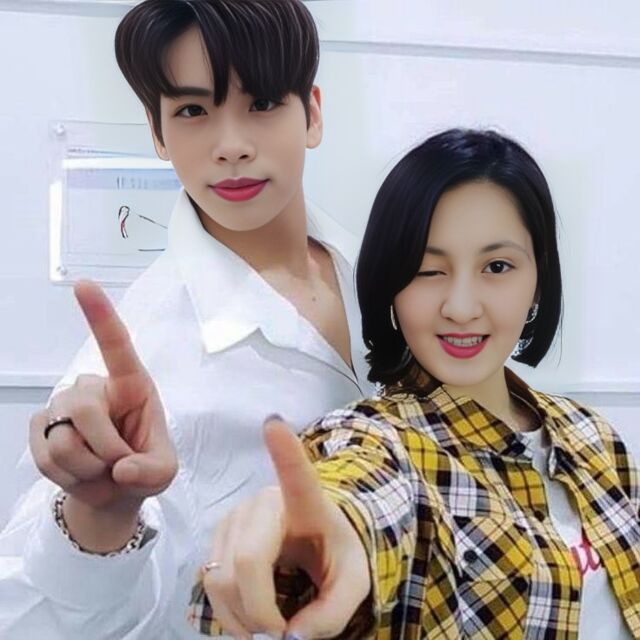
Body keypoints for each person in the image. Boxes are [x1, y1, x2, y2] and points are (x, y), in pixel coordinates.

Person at [0, 2, 371, 638]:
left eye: (261, 103)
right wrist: (98, 520)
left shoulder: (388, 273)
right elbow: (29, 620)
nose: (231, 147)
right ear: (157, 132)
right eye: (194, 111)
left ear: (311, 113)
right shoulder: (141, 355)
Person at [190, 129, 640, 639]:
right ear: (392, 285)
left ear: (538, 279)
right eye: (429, 270)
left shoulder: (592, 436)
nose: (461, 307)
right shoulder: (380, 441)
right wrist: (316, 544)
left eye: (497, 266)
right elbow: (361, 495)